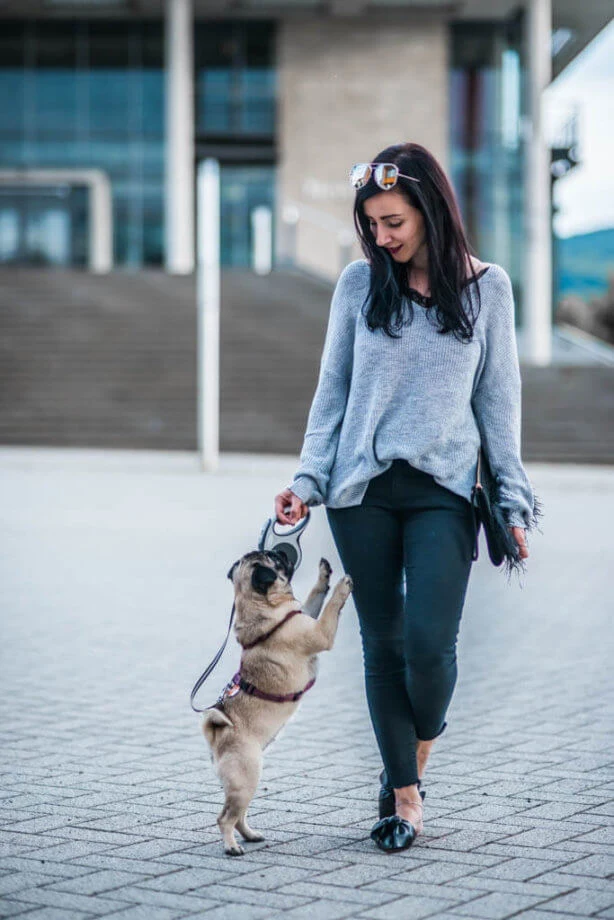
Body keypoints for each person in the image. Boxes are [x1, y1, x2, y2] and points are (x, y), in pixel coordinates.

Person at [274, 142, 541, 853]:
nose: (383, 238)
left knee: (430, 648)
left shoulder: (488, 288)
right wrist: (306, 481)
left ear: (428, 209)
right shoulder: (360, 287)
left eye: (393, 222)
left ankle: (414, 754)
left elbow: (499, 403)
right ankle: (403, 795)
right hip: (359, 490)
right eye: (372, 227)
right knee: (382, 645)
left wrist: (512, 503)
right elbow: (331, 391)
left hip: (444, 492)